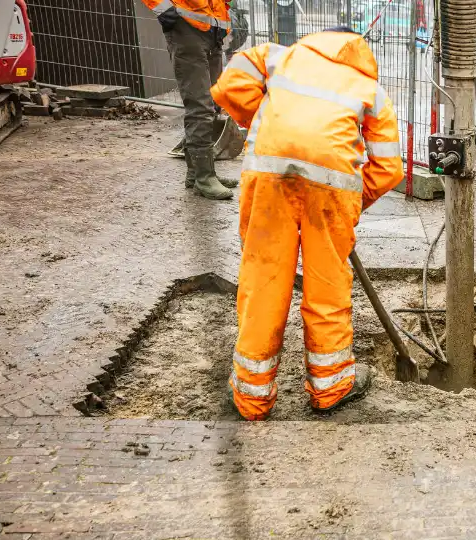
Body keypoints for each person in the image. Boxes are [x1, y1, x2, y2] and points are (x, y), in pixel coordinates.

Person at [210, 27, 404, 421]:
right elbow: (388, 169)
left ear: (318, 40)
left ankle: (252, 396)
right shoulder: (370, 91)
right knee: (328, 286)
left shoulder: (277, 57)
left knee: (263, 278)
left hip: (268, 176)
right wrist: (352, 201)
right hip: (332, 192)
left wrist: (266, 122)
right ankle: (331, 388)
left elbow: (230, 87)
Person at [144, 0, 239, 200]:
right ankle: (204, 177)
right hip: (186, 27)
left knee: (213, 102)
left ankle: (196, 173)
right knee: (201, 106)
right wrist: (164, 9)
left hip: (212, 30)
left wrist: (222, 17)